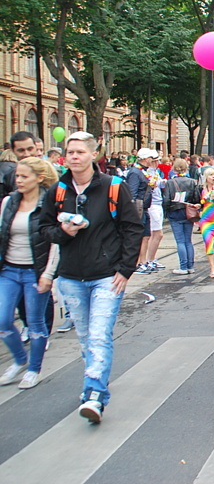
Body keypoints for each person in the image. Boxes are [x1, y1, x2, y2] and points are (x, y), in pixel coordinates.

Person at [39, 131, 143, 423]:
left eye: (79, 152)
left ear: (93, 155)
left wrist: (125, 269)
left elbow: (132, 228)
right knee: (86, 337)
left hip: (106, 276)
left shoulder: (114, 187)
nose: (74, 157)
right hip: (71, 277)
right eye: (69, 152)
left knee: (98, 334)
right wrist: (62, 232)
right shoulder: (58, 191)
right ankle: (96, 380)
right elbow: (44, 228)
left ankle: (94, 396)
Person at [0, 157, 59, 389]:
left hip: (35, 271)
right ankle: (20, 360)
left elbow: (56, 243)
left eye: (24, 176)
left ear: (39, 178)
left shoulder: (50, 205)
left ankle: (34, 368)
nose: (19, 181)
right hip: (9, 270)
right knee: (3, 320)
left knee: (35, 323)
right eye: (17, 176)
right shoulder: (9, 202)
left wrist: (48, 274)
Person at [163, 158, 200, 275]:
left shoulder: (170, 182)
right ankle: (190, 266)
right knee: (188, 240)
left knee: (180, 241)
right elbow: (196, 198)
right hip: (188, 212)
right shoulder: (192, 182)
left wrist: (166, 212)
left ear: (174, 168)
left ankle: (183, 266)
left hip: (175, 212)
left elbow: (166, 200)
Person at [127, 148, 157, 275]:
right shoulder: (135, 173)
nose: (152, 160)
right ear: (145, 158)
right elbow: (132, 192)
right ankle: (138, 263)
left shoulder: (143, 172)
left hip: (145, 207)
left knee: (146, 236)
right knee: (140, 236)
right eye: (151, 158)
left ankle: (143, 261)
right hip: (139, 208)